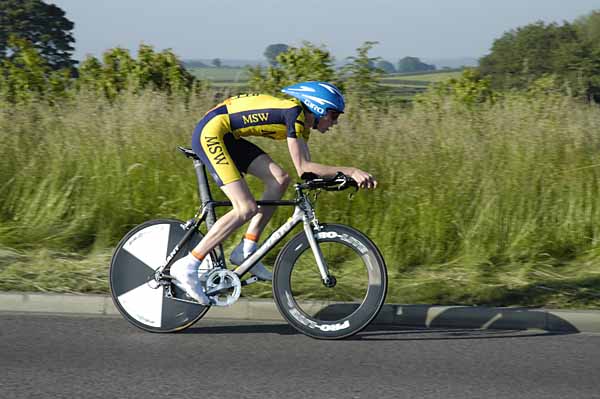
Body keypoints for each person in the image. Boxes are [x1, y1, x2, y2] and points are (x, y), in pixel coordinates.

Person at [169, 81, 378, 304]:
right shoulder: (294, 114)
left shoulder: (302, 126)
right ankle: (189, 265)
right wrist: (352, 171)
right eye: (334, 115)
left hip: (228, 136)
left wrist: (341, 179)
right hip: (211, 133)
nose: (335, 122)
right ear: (318, 108)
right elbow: (304, 167)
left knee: (280, 179)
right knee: (245, 207)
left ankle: (247, 248)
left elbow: (305, 173)